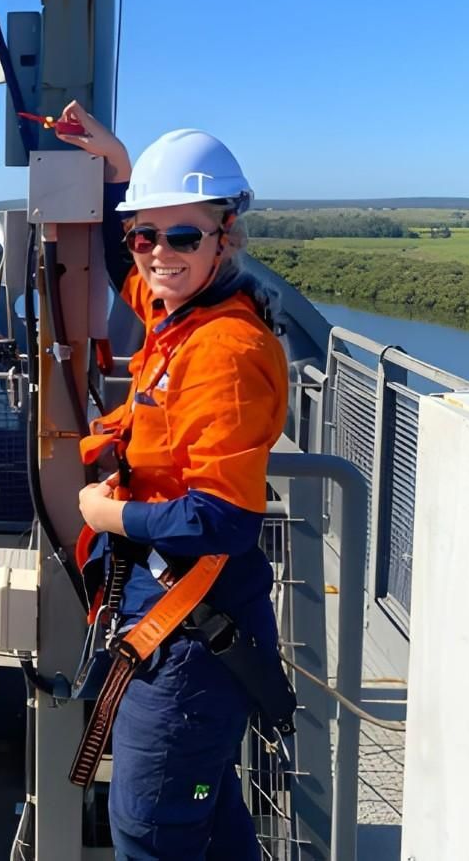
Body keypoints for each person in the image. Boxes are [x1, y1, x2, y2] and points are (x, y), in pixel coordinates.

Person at [57, 100, 289, 861]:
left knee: (152, 829)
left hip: (192, 639)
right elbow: (137, 274)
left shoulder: (223, 350)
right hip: (182, 624)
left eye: (183, 234)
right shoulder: (179, 316)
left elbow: (222, 519)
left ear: (227, 235)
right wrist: (122, 167)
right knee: (204, 820)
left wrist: (108, 513)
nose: (159, 253)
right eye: (146, 232)